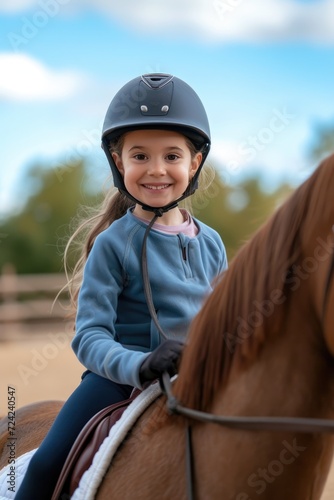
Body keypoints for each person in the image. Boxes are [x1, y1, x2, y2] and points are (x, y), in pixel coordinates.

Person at [16, 73, 228, 499]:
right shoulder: (114, 244)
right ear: (118, 162)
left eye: (172, 155)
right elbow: (90, 336)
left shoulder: (213, 243)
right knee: (44, 466)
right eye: (140, 156)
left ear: (195, 164)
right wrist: (141, 365)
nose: (156, 169)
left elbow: (228, 323)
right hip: (117, 381)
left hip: (198, 381)